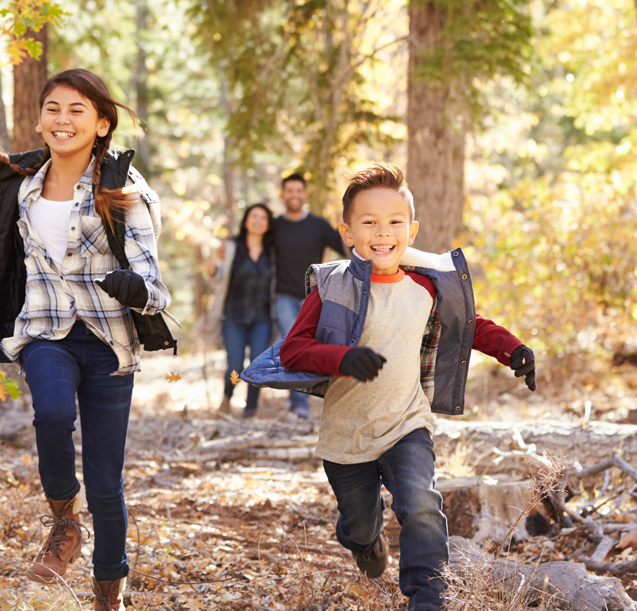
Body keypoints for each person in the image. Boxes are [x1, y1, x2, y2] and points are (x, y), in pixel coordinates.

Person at [242, 164, 536, 611]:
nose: (383, 233)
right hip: (347, 435)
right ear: (347, 231)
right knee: (358, 526)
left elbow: (468, 327)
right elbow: (294, 350)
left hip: (406, 422)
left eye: (395, 222)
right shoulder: (331, 286)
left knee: (420, 504)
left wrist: (512, 349)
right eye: (369, 223)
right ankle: (366, 541)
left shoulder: (426, 283)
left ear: (411, 230)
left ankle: (428, 598)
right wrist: (342, 358)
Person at [0, 69, 170, 611]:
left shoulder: (126, 192)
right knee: (49, 413)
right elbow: (7, 258)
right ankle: (64, 522)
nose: (62, 120)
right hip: (44, 330)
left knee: (107, 486)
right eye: (53, 108)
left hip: (109, 343)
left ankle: (107, 590)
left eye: (77, 111)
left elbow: (156, 289)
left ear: (101, 124)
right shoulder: (22, 185)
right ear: (40, 118)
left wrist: (136, 290)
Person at [273, 172, 347, 418]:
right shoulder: (275, 226)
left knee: (305, 347)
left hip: (312, 297)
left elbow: (347, 248)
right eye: (289, 191)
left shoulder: (318, 225)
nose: (294, 195)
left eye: (298, 191)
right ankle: (299, 403)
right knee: (290, 343)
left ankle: (300, 398)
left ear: (304, 194)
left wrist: (343, 227)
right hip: (283, 296)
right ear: (282, 195)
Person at [201, 204, 276, 418]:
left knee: (257, 366)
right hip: (233, 316)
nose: (258, 220)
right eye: (254, 216)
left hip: (262, 318)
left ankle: (250, 411)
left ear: (268, 224)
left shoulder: (272, 252)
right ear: (246, 221)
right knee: (235, 364)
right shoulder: (231, 246)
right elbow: (218, 278)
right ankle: (226, 398)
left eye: (263, 217)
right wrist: (212, 270)